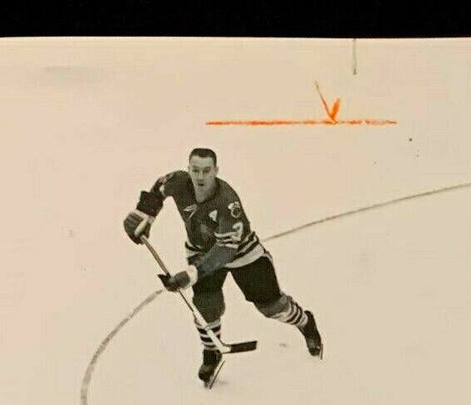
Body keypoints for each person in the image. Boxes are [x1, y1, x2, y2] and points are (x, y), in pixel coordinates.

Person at [123, 147, 323, 384]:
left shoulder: (227, 202)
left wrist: (192, 273)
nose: (200, 177)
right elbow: (158, 188)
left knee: (272, 307)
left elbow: (226, 250)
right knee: (205, 306)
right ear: (188, 169)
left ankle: (305, 322)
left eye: (206, 171)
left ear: (216, 171)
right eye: (195, 170)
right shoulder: (178, 181)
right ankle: (212, 352)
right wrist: (144, 216)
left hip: (243, 254)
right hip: (200, 251)